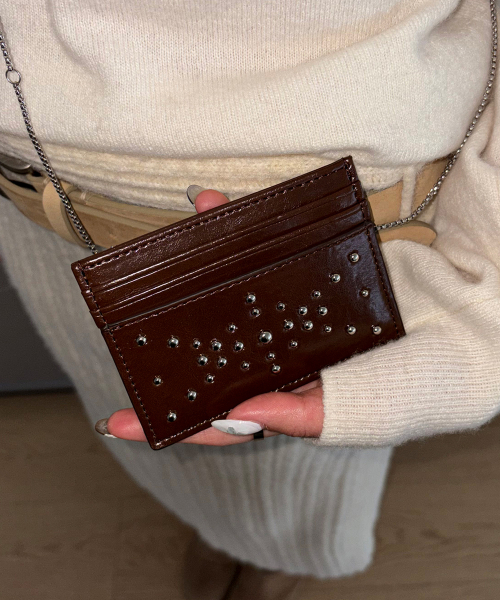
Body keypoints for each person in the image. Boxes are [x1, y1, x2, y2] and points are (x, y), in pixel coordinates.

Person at [0, 1, 499, 598]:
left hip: (349, 256)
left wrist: (485, 291)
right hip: (44, 210)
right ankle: (226, 530)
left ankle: (274, 549)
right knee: (152, 425)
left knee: (299, 480)